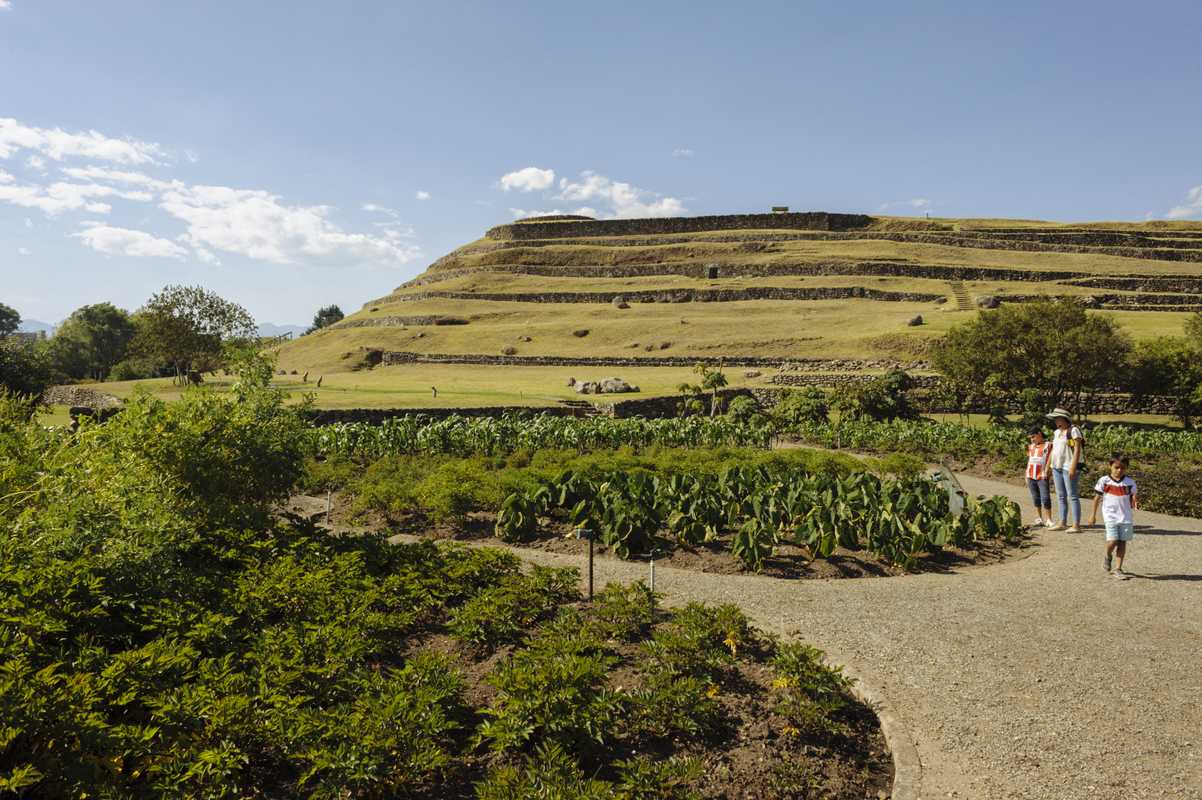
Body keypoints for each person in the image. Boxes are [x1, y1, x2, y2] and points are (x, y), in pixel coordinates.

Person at [1089, 455, 1138, 579]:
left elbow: (1133, 497)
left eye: (1123, 468)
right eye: (1116, 467)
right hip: (1110, 516)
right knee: (1113, 540)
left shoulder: (1130, 483)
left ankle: (1118, 569)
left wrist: (1135, 501)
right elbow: (1096, 499)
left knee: (1122, 542)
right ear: (1110, 466)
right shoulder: (1104, 481)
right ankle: (1107, 554)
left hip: (1126, 517)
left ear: (1126, 468)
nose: (1119, 470)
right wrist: (1093, 515)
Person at [1046, 408, 1084, 532]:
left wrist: (1073, 466)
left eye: (1057, 418)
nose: (1056, 421)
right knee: (1061, 495)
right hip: (1057, 466)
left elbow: (1077, 449)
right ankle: (1062, 522)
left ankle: (1076, 525)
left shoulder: (1073, 431)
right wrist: (1048, 466)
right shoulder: (1057, 432)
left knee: (1072, 495)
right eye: (1055, 418)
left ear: (1064, 418)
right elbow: (1053, 450)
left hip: (1068, 466)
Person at [1024, 427, 1054, 528]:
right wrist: (1026, 475)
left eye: (1033, 437)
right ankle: (1039, 518)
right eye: (1030, 438)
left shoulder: (1049, 445)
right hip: (1030, 475)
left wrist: (1048, 472)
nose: (1032, 439)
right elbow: (1029, 461)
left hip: (1042, 476)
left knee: (1045, 498)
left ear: (1039, 434)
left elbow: (1052, 459)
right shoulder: (1030, 446)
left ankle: (1049, 519)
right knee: (1035, 497)